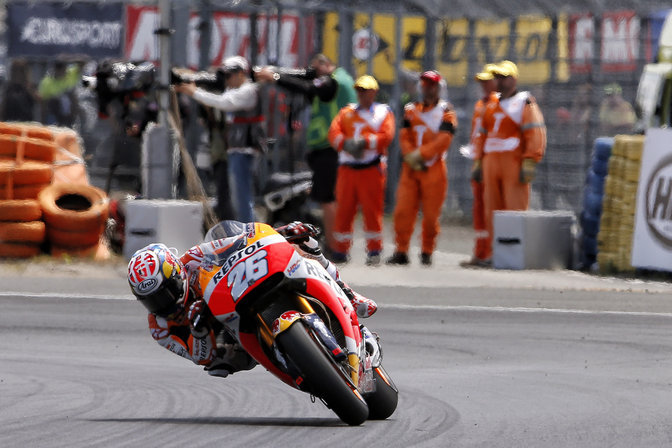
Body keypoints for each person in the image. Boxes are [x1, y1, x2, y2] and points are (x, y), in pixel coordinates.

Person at [127, 221, 377, 378]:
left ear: (177, 273)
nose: (164, 304)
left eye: (166, 292)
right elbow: (200, 357)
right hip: (228, 339)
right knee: (219, 365)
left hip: (240, 289)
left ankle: (348, 294)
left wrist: (281, 233)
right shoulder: (159, 329)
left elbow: (243, 238)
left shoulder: (193, 259)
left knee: (305, 248)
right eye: (152, 301)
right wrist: (200, 331)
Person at [255, 54, 357, 254]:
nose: (314, 74)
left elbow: (310, 88)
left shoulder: (333, 81)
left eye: (317, 69)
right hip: (332, 146)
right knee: (331, 198)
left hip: (330, 147)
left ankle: (336, 248)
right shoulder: (340, 81)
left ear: (326, 65)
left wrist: (274, 77)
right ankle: (338, 245)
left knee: (328, 199)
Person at [471, 60, 547, 265]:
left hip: (512, 160)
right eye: (498, 77)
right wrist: (478, 161)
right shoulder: (491, 104)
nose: (500, 81)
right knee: (491, 210)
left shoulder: (524, 102)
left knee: (514, 209)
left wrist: (531, 160)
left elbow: (535, 130)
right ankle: (496, 254)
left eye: (504, 77)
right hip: (491, 161)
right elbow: (483, 135)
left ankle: (517, 254)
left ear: (514, 79)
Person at [175, 56, 265, 222]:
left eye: (229, 75)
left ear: (240, 73)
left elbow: (223, 102)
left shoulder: (248, 90)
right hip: (236, 148)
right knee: (238, 197)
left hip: (245, 149)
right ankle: (248, 231)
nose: (226, 80)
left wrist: (194, 91)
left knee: (242, 197)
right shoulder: (235, 89)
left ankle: (250, 234)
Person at [386, 70, 457, 266]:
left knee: (431, 213)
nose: (428, 89)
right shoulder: (410, 109)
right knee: (403, 210)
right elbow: (404, 135)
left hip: (433, 167)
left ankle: (427, 250)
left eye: (432, 85)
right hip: (411, 167)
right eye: (425, 85)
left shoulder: (446, 111)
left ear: (439, 87)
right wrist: (410, 155)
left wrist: (421, 154)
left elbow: (444, 139)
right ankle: (401, 250)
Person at [327, 75, 396, 266]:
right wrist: (346, 144)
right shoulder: (346, 111)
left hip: (371, 168)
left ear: (374, 92)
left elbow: (387, 135)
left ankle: (374, 250)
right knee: (344, 210)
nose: (362, 94)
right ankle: (340, 250)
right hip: (348, 169)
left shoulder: (383, 112)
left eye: (366, 91)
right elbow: (333, 133)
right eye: (360, 90)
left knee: (372, 210)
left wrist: (363, 143)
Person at [460, 63, 499, 268]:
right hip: (479, 160)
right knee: (479, 209)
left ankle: (491, 252)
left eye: (488, 81)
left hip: (491, 162)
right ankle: (480, 251)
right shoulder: (480, 104)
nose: (484, 85)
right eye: (482, 82)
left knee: (490, 209)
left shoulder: (497, 104)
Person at [38, 58, 82, 127]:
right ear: (55, 69)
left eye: (64, 68)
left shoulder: (70, 74)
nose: (63, 71)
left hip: (68, 117)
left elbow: (82, 63)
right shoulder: (46, 82)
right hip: (53, 116)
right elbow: (43, 104)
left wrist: (71, 56)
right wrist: (43, 122)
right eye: (59, 68)